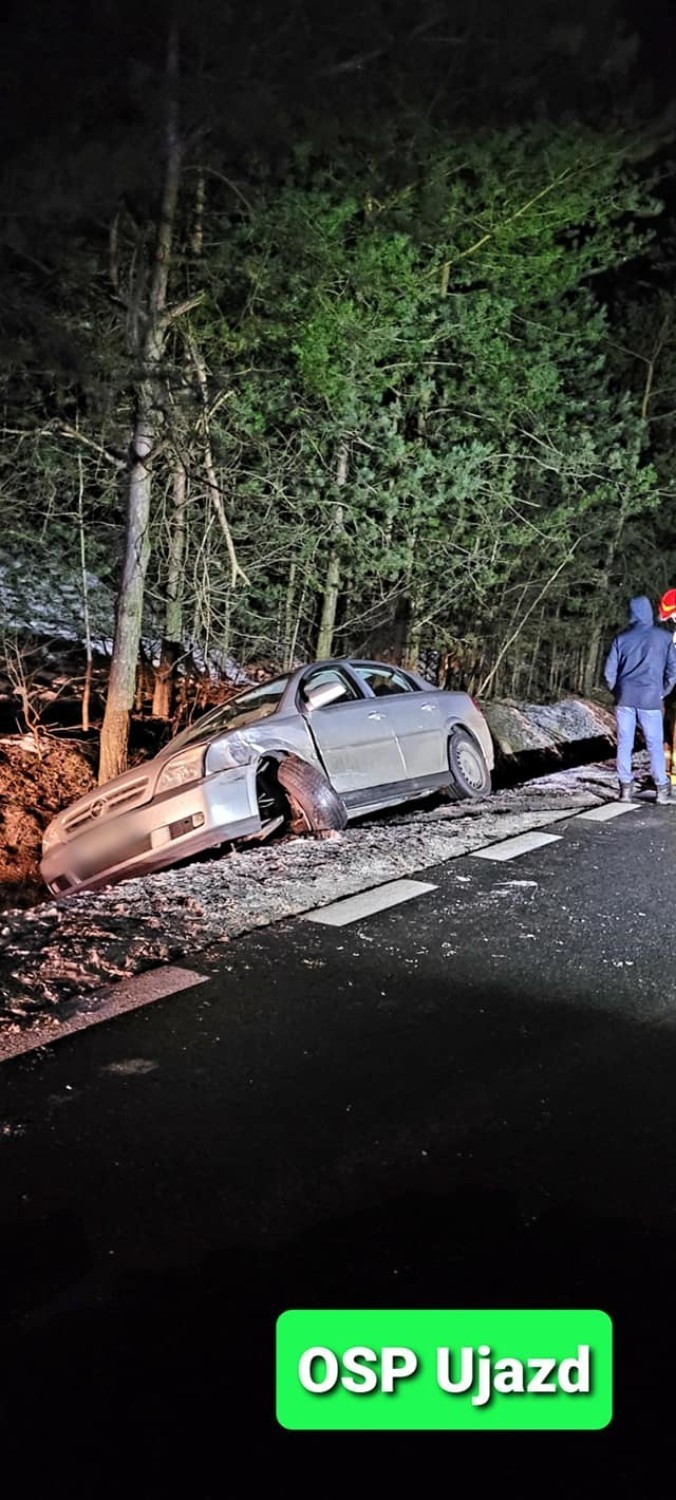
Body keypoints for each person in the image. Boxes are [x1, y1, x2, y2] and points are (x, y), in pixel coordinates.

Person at [603, 595, 676, 803]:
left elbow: (609, 673)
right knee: (654, 743)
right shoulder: (663, 638)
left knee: (624, 744)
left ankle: (625, 790)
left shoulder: (621, 639)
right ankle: (662, 789)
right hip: (651, 698)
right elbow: (673, 670)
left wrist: (618, 691)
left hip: (625, 698)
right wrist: (663, 691)